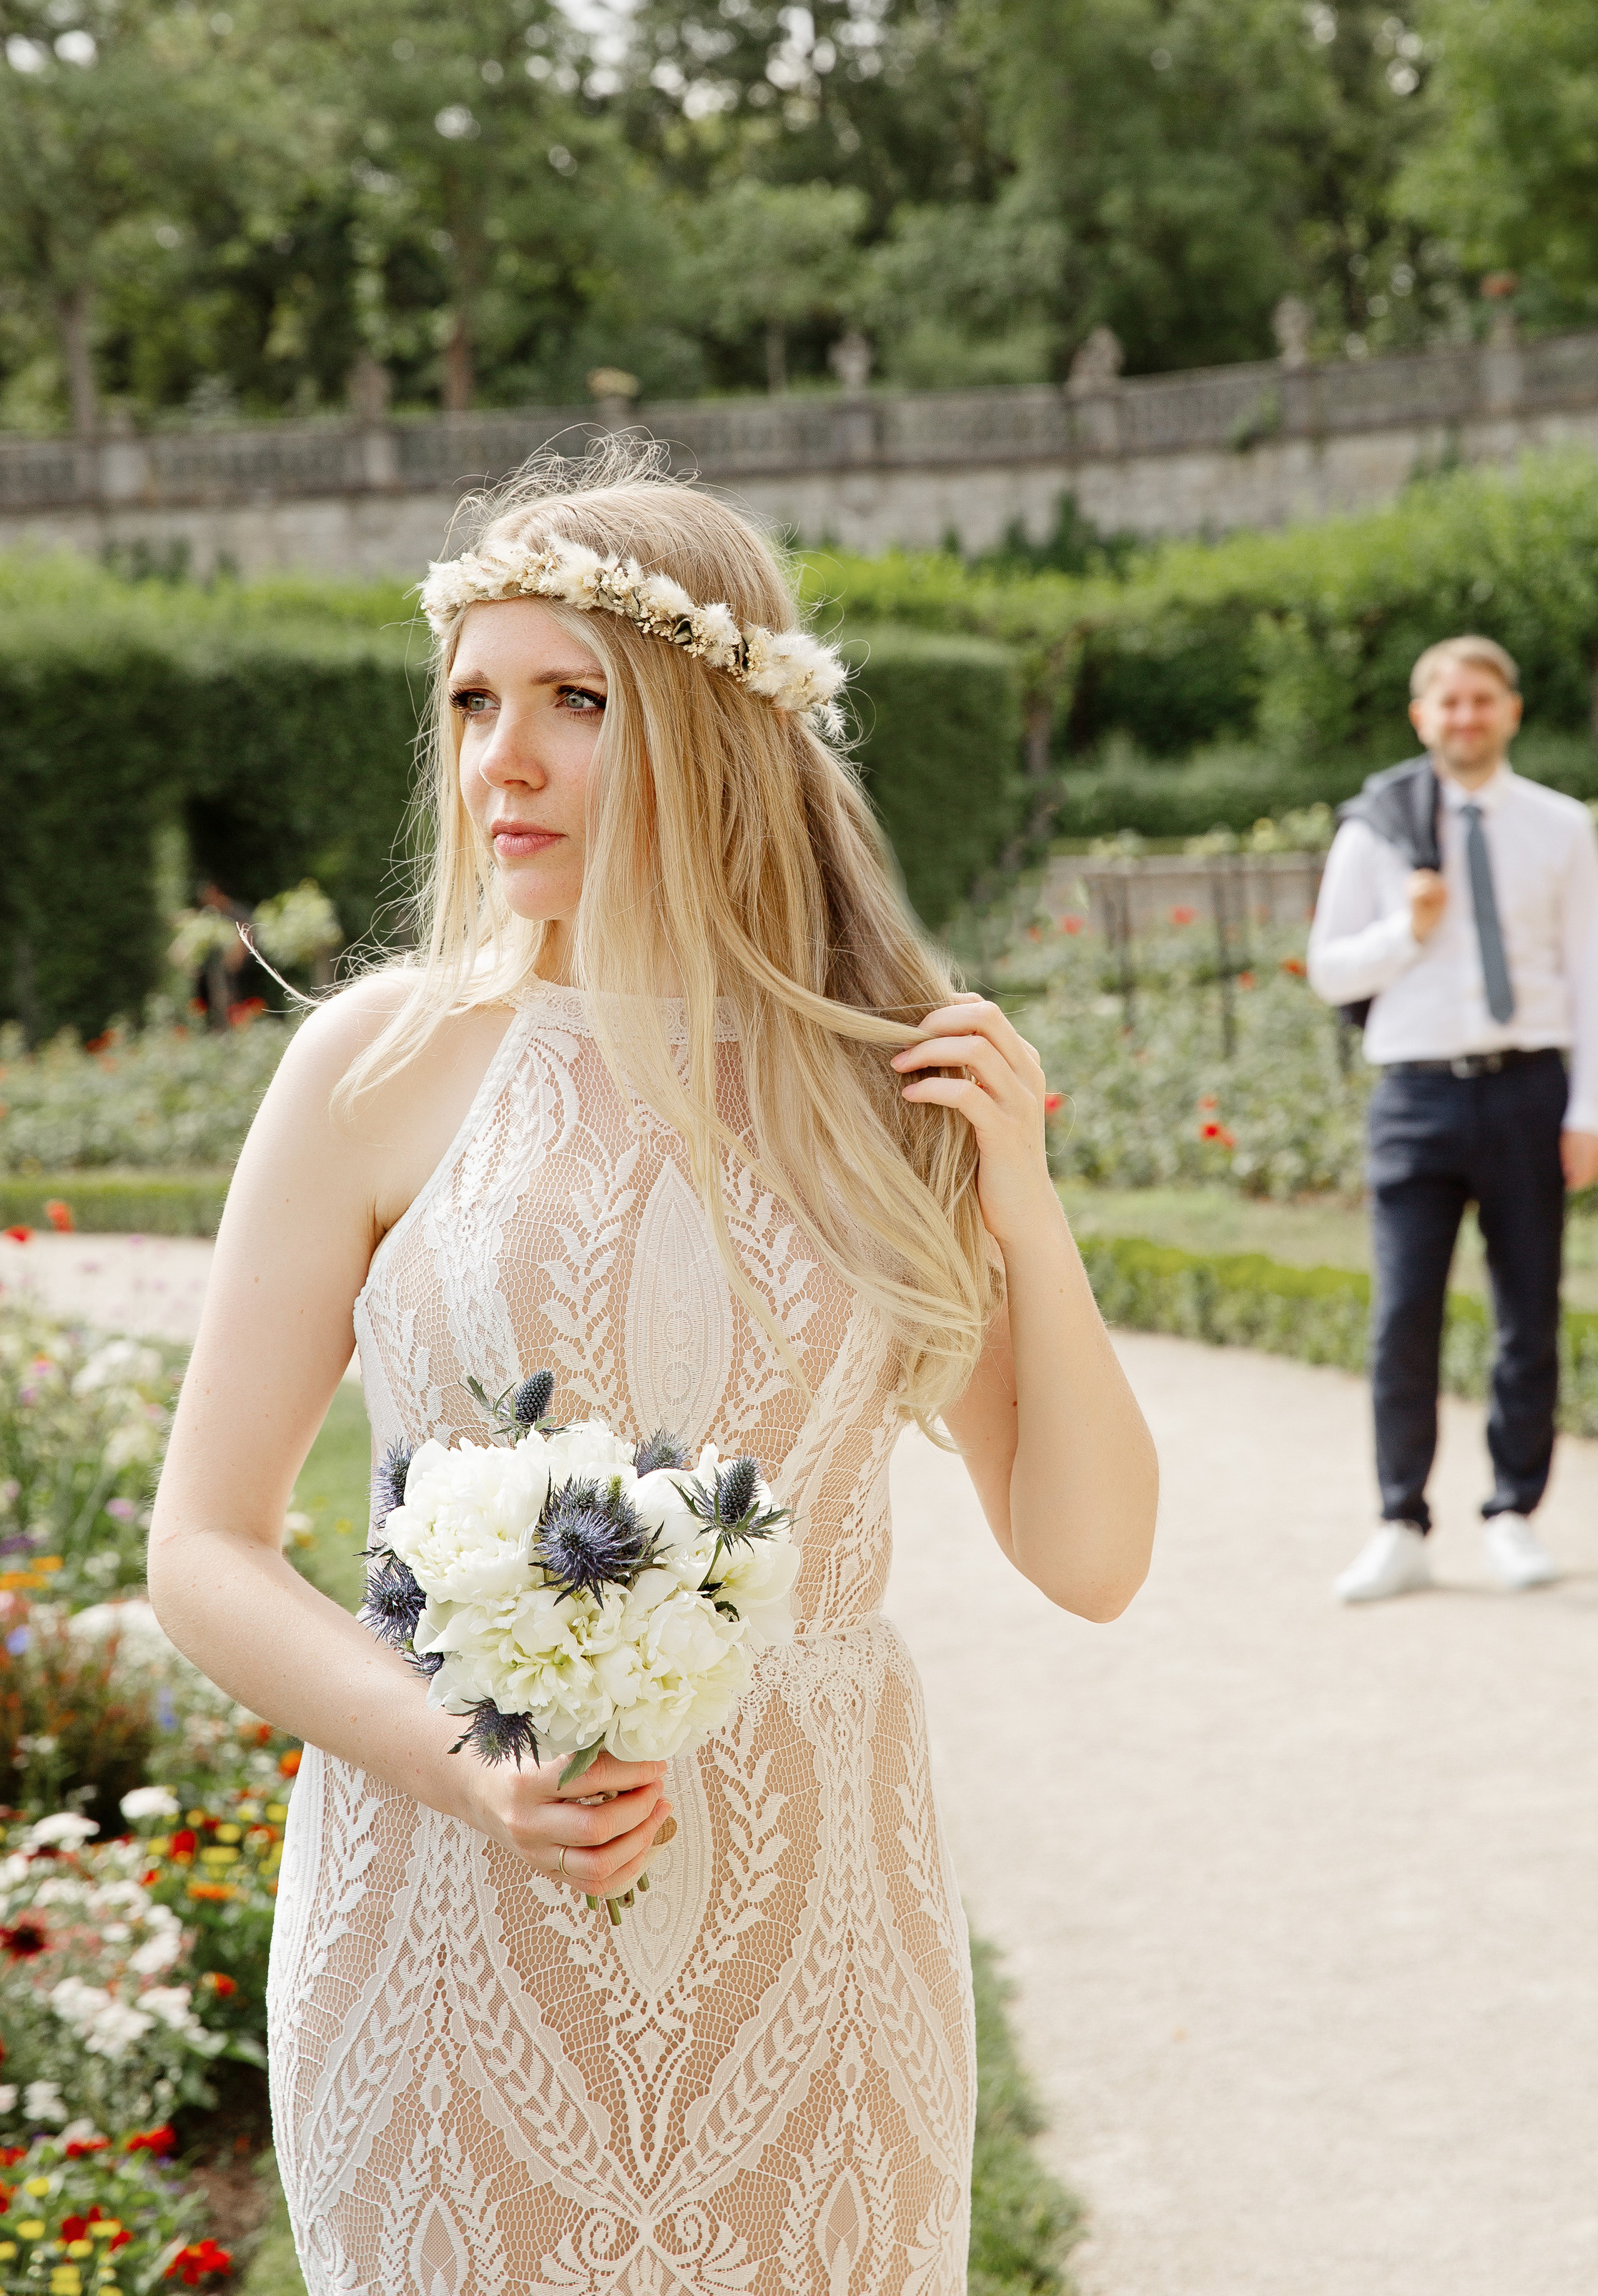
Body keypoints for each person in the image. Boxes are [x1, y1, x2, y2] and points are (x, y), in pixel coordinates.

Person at [148, 453, 1158, 2296]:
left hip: (816, 1940)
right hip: (444, 1926)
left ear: (707, 728)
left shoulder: (882, 1085)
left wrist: (1024, 1197)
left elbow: (1086, 1552)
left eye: (570, 702)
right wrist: (463, 1763)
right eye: (470, 700)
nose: (498, 761)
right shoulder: (377, 1061)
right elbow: (201, 1545)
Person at [1307, 635, 1598, 1605]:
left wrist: (1590, 1107)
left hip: (1528, 1089)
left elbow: (1591, 975)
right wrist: (1411, 929)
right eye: (1449, 704)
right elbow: (1328, 969)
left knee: (1530, 1312)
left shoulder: (1562, 828)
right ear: (1421, 717)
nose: (1466, 718)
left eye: (1483, 701)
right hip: (1415, 1094)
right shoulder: (1376, 831)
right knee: (1405, 1315)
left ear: (1512, 712)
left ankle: (1513, 1512)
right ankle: (1401, 1520)